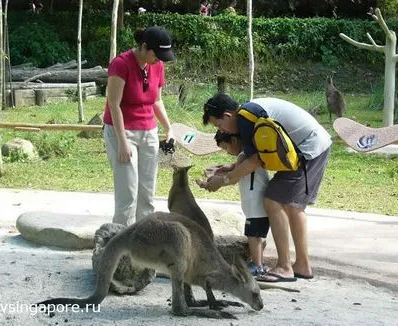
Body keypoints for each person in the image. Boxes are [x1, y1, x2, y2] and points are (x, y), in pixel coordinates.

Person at [200, 94, 332, 281]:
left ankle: (285, 267)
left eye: (219, 125)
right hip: (304, 148)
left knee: (275, 200)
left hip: (309, 147)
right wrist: (233, 168)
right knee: (293, 205)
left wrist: (224, 180)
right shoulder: (246, 115)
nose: (223, 131)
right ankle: (301, 265)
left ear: (228, 116)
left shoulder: (246, 118)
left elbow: (255, 160)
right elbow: (252, 155)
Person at [103, 26, 175, 226]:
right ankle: (120, 245)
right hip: (122, 131)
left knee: (147, 193)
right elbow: (113, 104)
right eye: (157, 54)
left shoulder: (157, 65)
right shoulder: (121, 64)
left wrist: (168, 127)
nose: (159, 59)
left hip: (148, 131)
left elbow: (156, 100)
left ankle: (145, 242)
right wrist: (122, 142)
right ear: (144, 47)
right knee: (128, 194)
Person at [200, 131, 272, 279]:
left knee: (253, 235)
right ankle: (258, 263)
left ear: (234, 140)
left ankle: (257, 265)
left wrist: (214, 181)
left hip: (254, 203)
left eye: (226, 147)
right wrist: (225, 170)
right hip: (257, 203)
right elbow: (236, 170)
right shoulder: (248, 155)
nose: (226, 152)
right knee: (257, 234)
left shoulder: (243, 155)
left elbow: (232, 179)